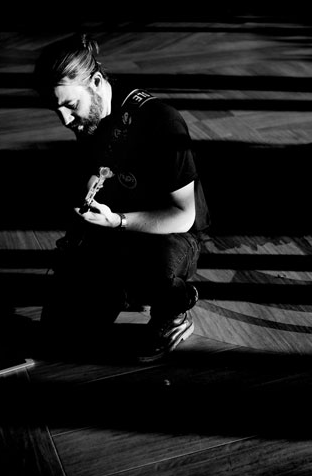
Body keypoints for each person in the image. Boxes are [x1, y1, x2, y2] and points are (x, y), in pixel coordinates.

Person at [32, 33, 210, 362]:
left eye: (70, 105)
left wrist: (116, 221)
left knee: (155, 270)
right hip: (116, 230)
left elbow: (183, 215)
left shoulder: (161, 121)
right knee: (61, 334)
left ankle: (174, 308)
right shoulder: (88, 119)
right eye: (54, 108)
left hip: (170, 235)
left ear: (97, 81)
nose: (65, 120)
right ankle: (124, 287)